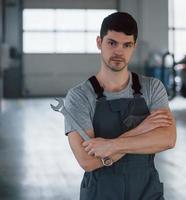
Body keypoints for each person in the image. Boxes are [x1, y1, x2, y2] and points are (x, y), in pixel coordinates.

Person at [64, 12, 177, 200]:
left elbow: (167, 139)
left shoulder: (152, 88)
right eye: (112, 43)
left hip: (147, 191)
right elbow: (88, 161)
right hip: (101, 193)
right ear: (99, 42)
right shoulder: (79, 96)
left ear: (134, 46)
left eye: (127, 45)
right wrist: (143, 130)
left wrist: (111, 146)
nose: (119, 51)